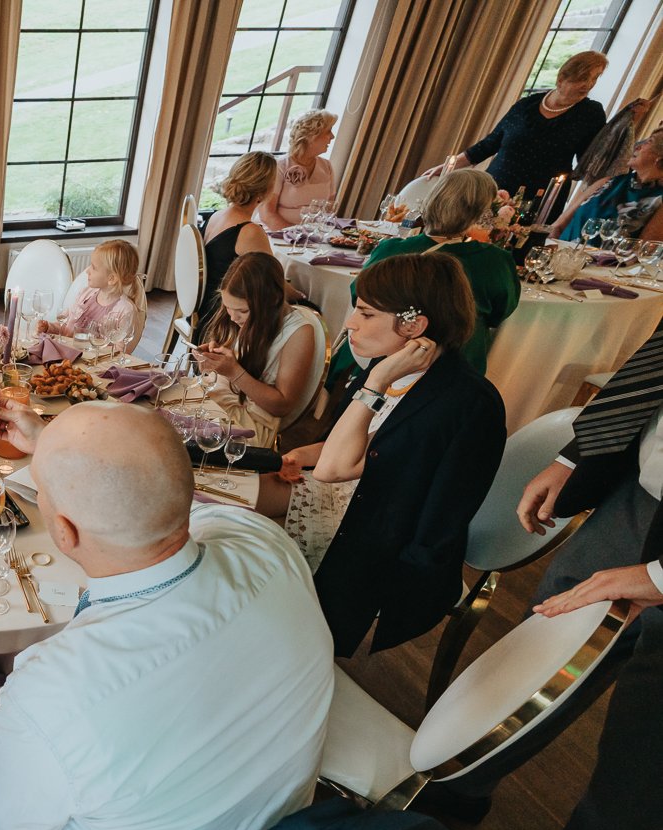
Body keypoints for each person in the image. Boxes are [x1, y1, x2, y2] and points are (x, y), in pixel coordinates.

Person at [0, 400, 334, 830]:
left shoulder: (51, 690)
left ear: (64, 532)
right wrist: (57, 452)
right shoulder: (263, 539)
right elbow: (164, 499)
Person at [415, 323, 663, 830]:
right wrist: (576, 456)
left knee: (651, 713)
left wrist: (656, 577)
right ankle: (471, 778)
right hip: (642, 494)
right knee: (548, 635)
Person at [256, 254, 505, 657]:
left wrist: (376, 382)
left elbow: (341, 471)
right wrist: (302, 453)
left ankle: (278, 646)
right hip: (349, 493)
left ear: (414, 325)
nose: (350, 323)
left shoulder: (469, 404)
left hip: (379, 531)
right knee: (233, 499)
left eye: (366, 313)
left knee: (248, 545)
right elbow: (354, 443)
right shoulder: (386, 368)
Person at [350, 169, 520, 376]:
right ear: (480, 213)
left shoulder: (391, 249)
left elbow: (359, 297)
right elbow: (500, 314)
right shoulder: (496, 260)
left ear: (433, 200)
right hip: (458, 362)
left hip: (390, 354)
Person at [424, 51, 608, 202]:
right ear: (561, 78)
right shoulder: (525, 105)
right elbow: (489, 144)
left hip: (540, 199)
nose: (588, 85)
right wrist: (448, 166)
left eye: (594, 79)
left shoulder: (591, 113)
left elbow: (590, 161)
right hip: (493, 190)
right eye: (583, 78)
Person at [194, 252, 320, 444]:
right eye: (227, 307)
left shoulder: (299, 332)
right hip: (223, 394)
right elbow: (236, 356)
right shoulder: (240, 315)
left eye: (242, 311)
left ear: (272, 300)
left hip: (254, 420)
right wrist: (214, 358)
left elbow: (282, 406)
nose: (233, 318)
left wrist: (233, 371)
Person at [201, 151, 277, 322]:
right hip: (225, 314)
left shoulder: (216, 215)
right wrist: (301, 294)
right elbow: (272, 282)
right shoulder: (250, 232)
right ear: (264, 191)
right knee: (308, 307)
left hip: (203, 303)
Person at [556, 131, 663, 243]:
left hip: (598, 255)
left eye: (649, 142)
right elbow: (558, 226)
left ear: (659, 159)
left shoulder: (659, 201)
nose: (638, 146)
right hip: (560, 250)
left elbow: (644, 250)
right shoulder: (609, 181)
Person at [35, 239, 146, 346]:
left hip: (91, 358)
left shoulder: (125, 311)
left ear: (111, 279)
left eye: (93, 267)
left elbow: (121, 350)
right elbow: (65, 327)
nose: (87, 271)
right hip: (66, 353)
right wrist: (49, 327)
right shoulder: (86, 294)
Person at [258, 109, 339, 230]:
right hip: (278, 233)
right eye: (328, 131)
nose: (332, 137)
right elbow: (267, 215)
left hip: (313, 235)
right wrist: (296, 234)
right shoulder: (280, 166)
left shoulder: (326, 166)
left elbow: (328, 211)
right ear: (312, 136)